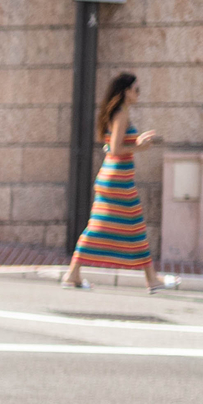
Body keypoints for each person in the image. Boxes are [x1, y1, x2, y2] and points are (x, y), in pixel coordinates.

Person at [60, 72, 162, 291]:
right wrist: (140, 147)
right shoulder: (122, 114)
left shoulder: (120, 113)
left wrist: (138, 141)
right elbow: (115, 149)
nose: (138, 93)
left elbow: (111, 146)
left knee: (127, 227)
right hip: (118, 180)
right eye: (136, 89)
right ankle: (151, 279)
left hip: (115, 177)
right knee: (115, 227)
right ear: (126, 92)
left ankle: (74, 274)